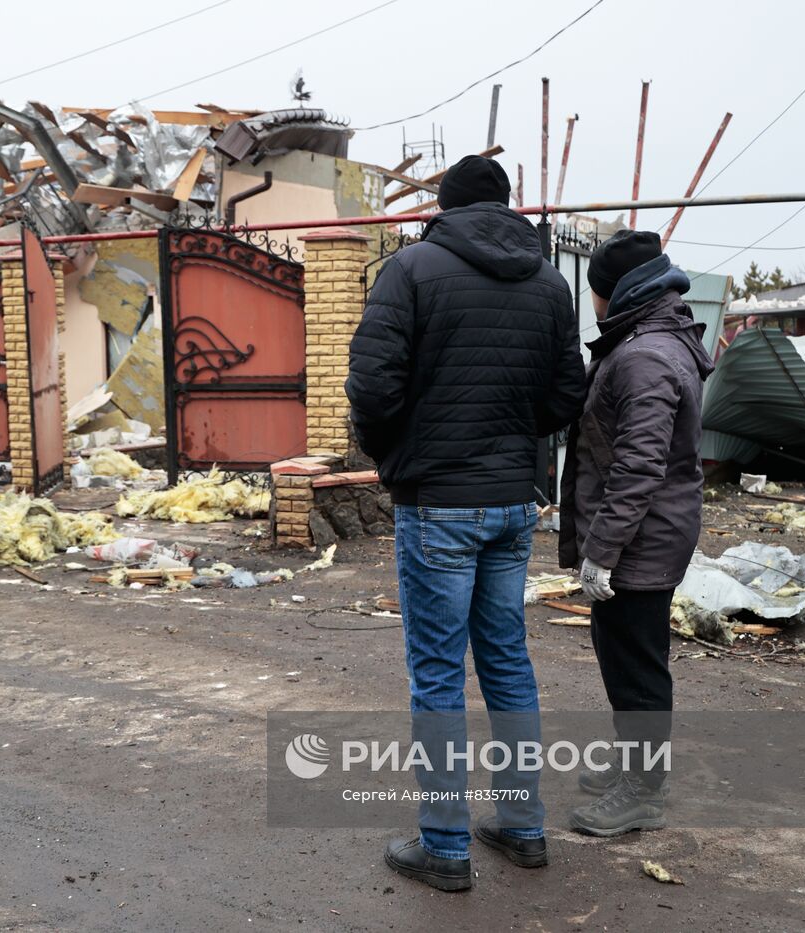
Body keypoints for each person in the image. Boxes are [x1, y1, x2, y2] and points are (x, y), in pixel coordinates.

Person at [347, 154, 585, 891]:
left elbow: (371, 385)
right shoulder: (549, 282)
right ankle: (522, 824)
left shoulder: (411, 269)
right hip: (512, 499)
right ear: (506, 208)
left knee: (439, 675)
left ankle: (445, 846)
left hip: (439, 503)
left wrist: (397, 453)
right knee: (508, 663)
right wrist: (515, 436)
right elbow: (566, 390)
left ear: (445, 207)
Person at [557, 230, 715, 837]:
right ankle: (635, 766)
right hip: (646, 534)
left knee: (637, 668)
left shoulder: (644, 355)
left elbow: (639, 465)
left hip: (640, 540)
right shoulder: (654, 340)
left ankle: (642, 792)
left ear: (613, 292)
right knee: (626, 657)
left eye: (594, 292)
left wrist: (602, 552)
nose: (592, 304)